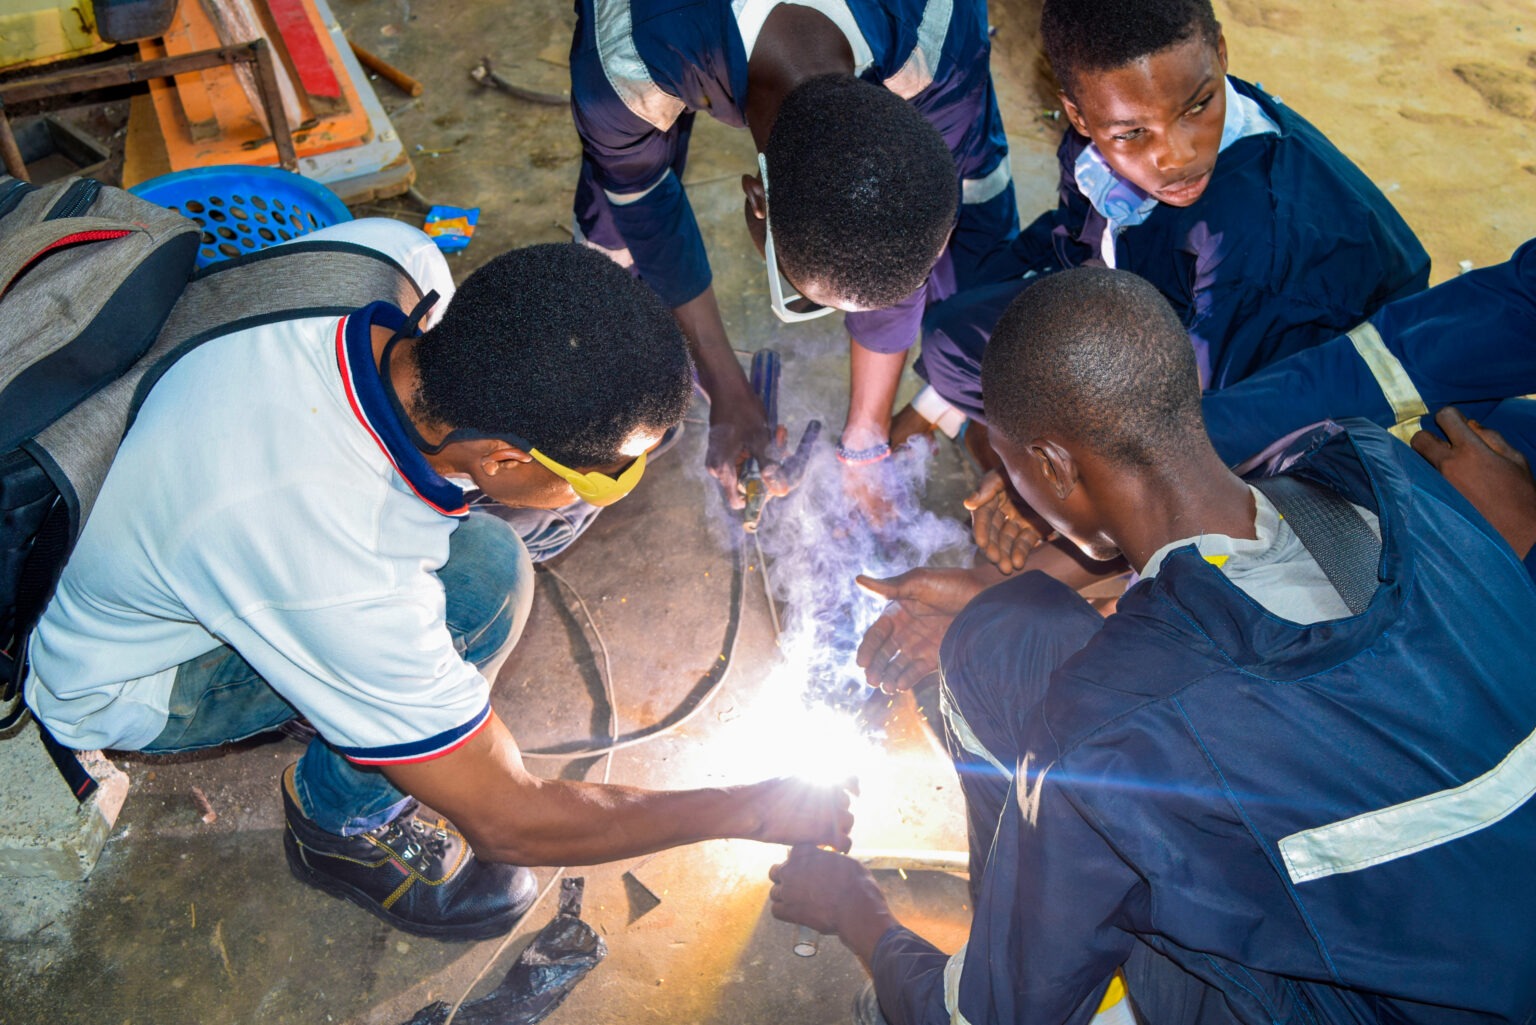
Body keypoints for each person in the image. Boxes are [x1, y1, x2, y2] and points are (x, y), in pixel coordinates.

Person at [24, 220, 851, 942]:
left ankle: (356, 702)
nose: (606, 494)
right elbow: (510, 819)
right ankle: (337, 827)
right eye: (603, 478)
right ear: (505, 460)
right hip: (119, 668)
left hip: (147, 490)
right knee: (487, 585)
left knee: (488, 549)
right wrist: (750, 808)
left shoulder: (390, 262)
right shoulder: (341, 561)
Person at [769, 267, 1536, 1025]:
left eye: (1010, 466)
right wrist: (1006, 586)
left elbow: (990, 1017)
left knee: (1012, 680)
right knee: (1012, 629)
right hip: (1486, 928)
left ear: (1054, 465)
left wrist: (856, 911)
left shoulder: (1105, 730)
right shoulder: (1386, 475)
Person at [895, 0, 1429, 454]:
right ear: (1079, 117)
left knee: (1105, 480)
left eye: (1197, 106)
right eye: (1132, 134)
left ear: (1220, 54)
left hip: (1274, 389)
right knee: (954, 339)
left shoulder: (1254, 251)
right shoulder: (1121, 118)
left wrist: (1065, 489)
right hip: (1163, 307)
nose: (1176, 156)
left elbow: (1213, 434)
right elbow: (1075, 236)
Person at [570, 0, 1016, 499]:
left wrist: (866, 434)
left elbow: (899, 236)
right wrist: (724, 384)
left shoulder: (940, 41)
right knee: (612, 232)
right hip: (670, 33)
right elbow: (645, 205)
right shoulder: (628, 68)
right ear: (757, 201)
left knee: (973, 201)